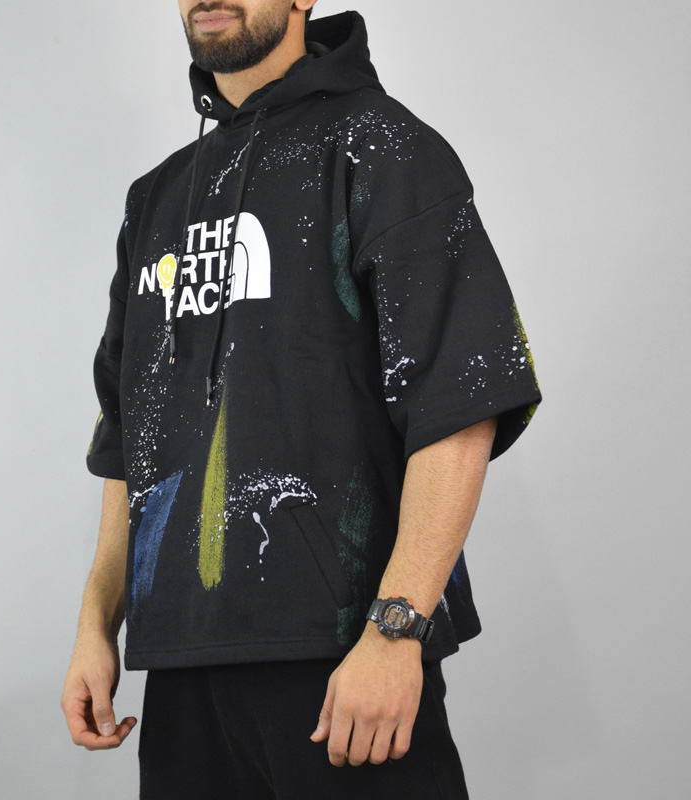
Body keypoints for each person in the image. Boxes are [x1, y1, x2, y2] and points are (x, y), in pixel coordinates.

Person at [61, 2, 542, 797]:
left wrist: (396, 631)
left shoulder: (384, 146)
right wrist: (95, 625)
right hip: (181, 667)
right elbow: (127, 432)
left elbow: (463, 401)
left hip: (343, 660)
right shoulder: (156, 198)